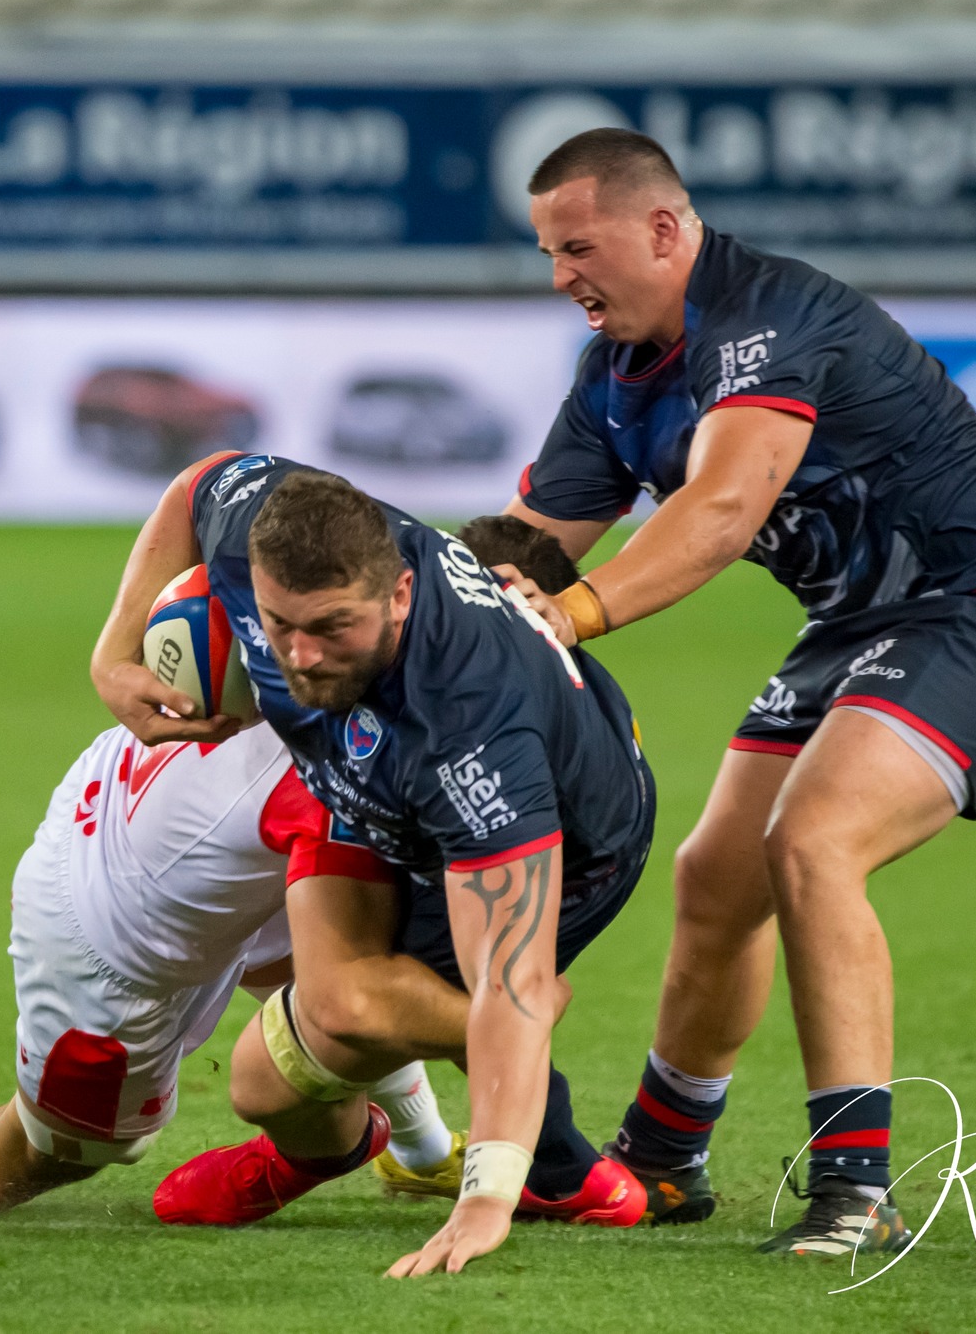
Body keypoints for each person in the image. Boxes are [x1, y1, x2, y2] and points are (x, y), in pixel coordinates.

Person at [502, 129, 976, 1255]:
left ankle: (856, 1192)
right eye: (546, 253)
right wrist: (410, 604)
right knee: (714, 879)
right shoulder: (612, 379)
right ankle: (664, 1159)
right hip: (855, 627)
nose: (559, 277)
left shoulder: (765, 318)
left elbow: (721, 513)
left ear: (663, 229)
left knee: (811, 842)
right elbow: (526, 547)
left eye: (577, 247)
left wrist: (571, 618)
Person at [91, 458, 657, 1275]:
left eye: (332, 628)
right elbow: (197, 482)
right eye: (282, 623)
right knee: (313, 1006)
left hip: (568, 839)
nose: (302, 655)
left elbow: (510, 976)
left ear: (398, 594)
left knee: (277, 1065)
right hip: (369, 776)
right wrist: (112, 656)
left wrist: (486, 1195)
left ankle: (362, 1152)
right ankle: (558, 1164)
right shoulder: (266, 527)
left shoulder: (470, 731)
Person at [0, 718, 456, 1213]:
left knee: (326, 939)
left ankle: (421, 1149)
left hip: (154, 807)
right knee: (48, 1152)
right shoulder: (353, 765)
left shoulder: (325, 577)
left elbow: (201, 491)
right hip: (106, 938)